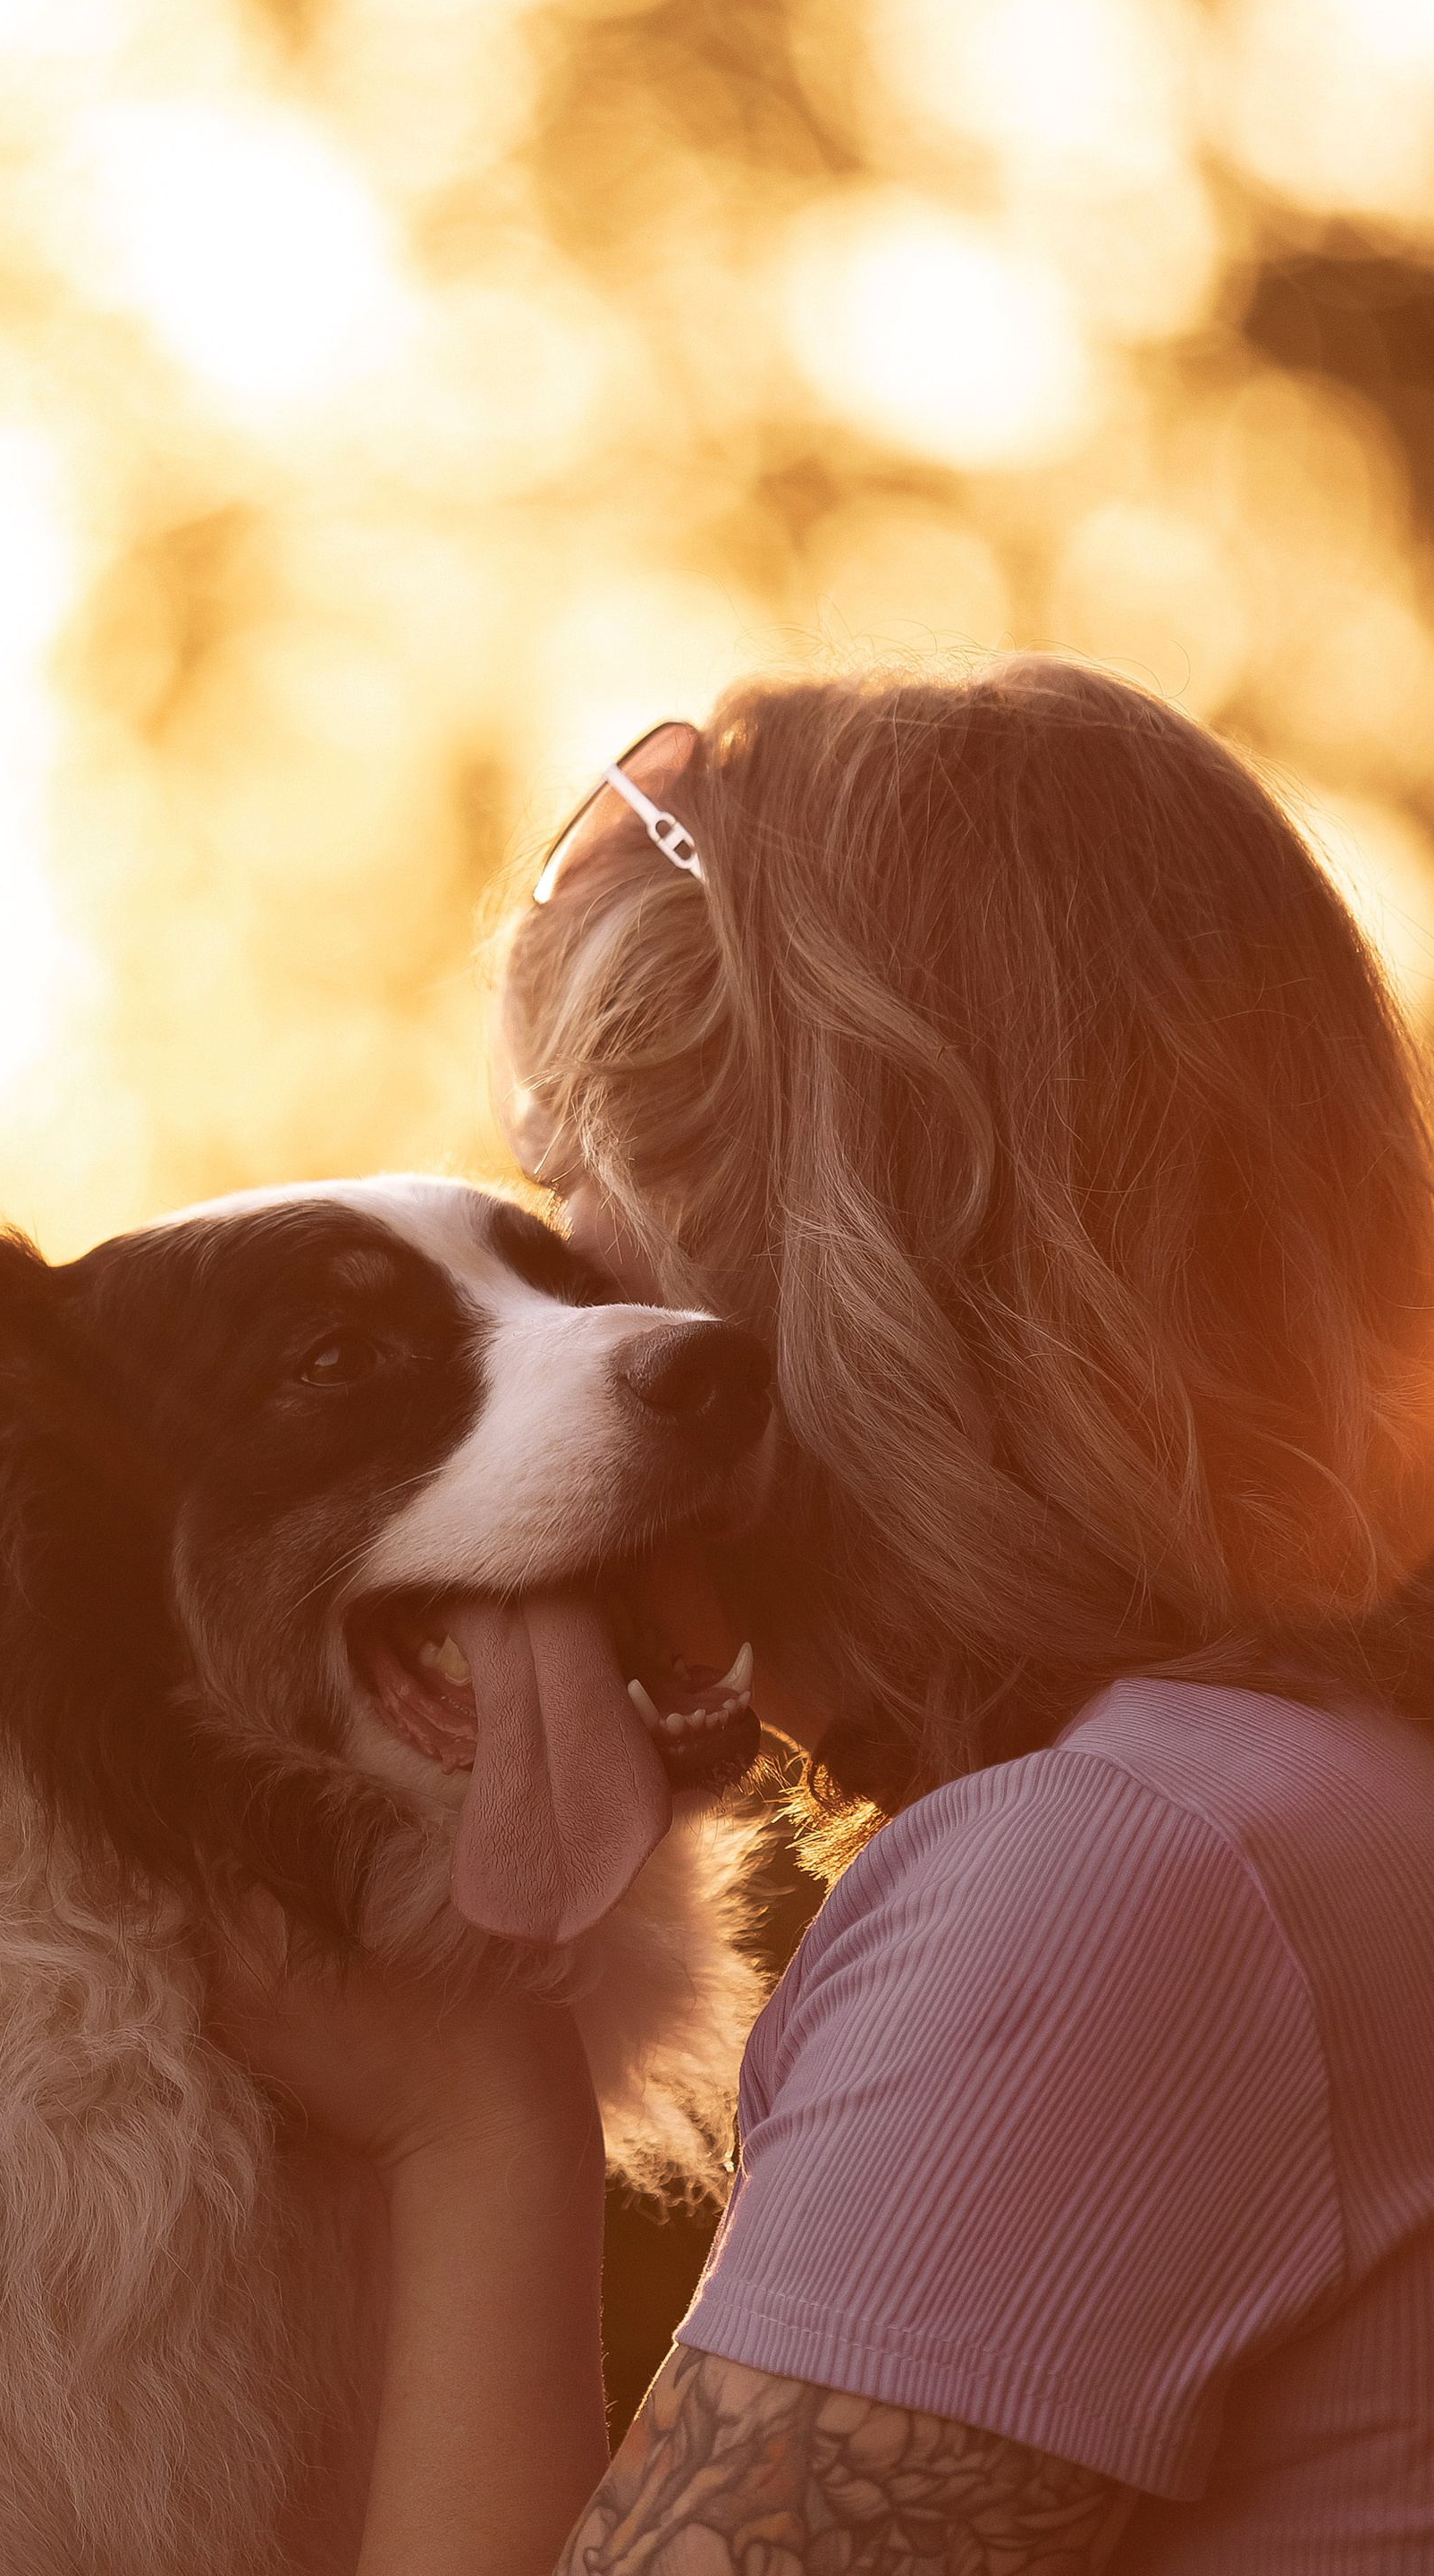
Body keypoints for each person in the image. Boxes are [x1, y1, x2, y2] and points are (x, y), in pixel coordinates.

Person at [220, 659, 1434, 2573]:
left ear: (823, 1245)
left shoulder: (1126, 1875)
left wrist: (473, 2128)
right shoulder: (1316, 1801)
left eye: (573, 1210)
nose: (553, 1350)